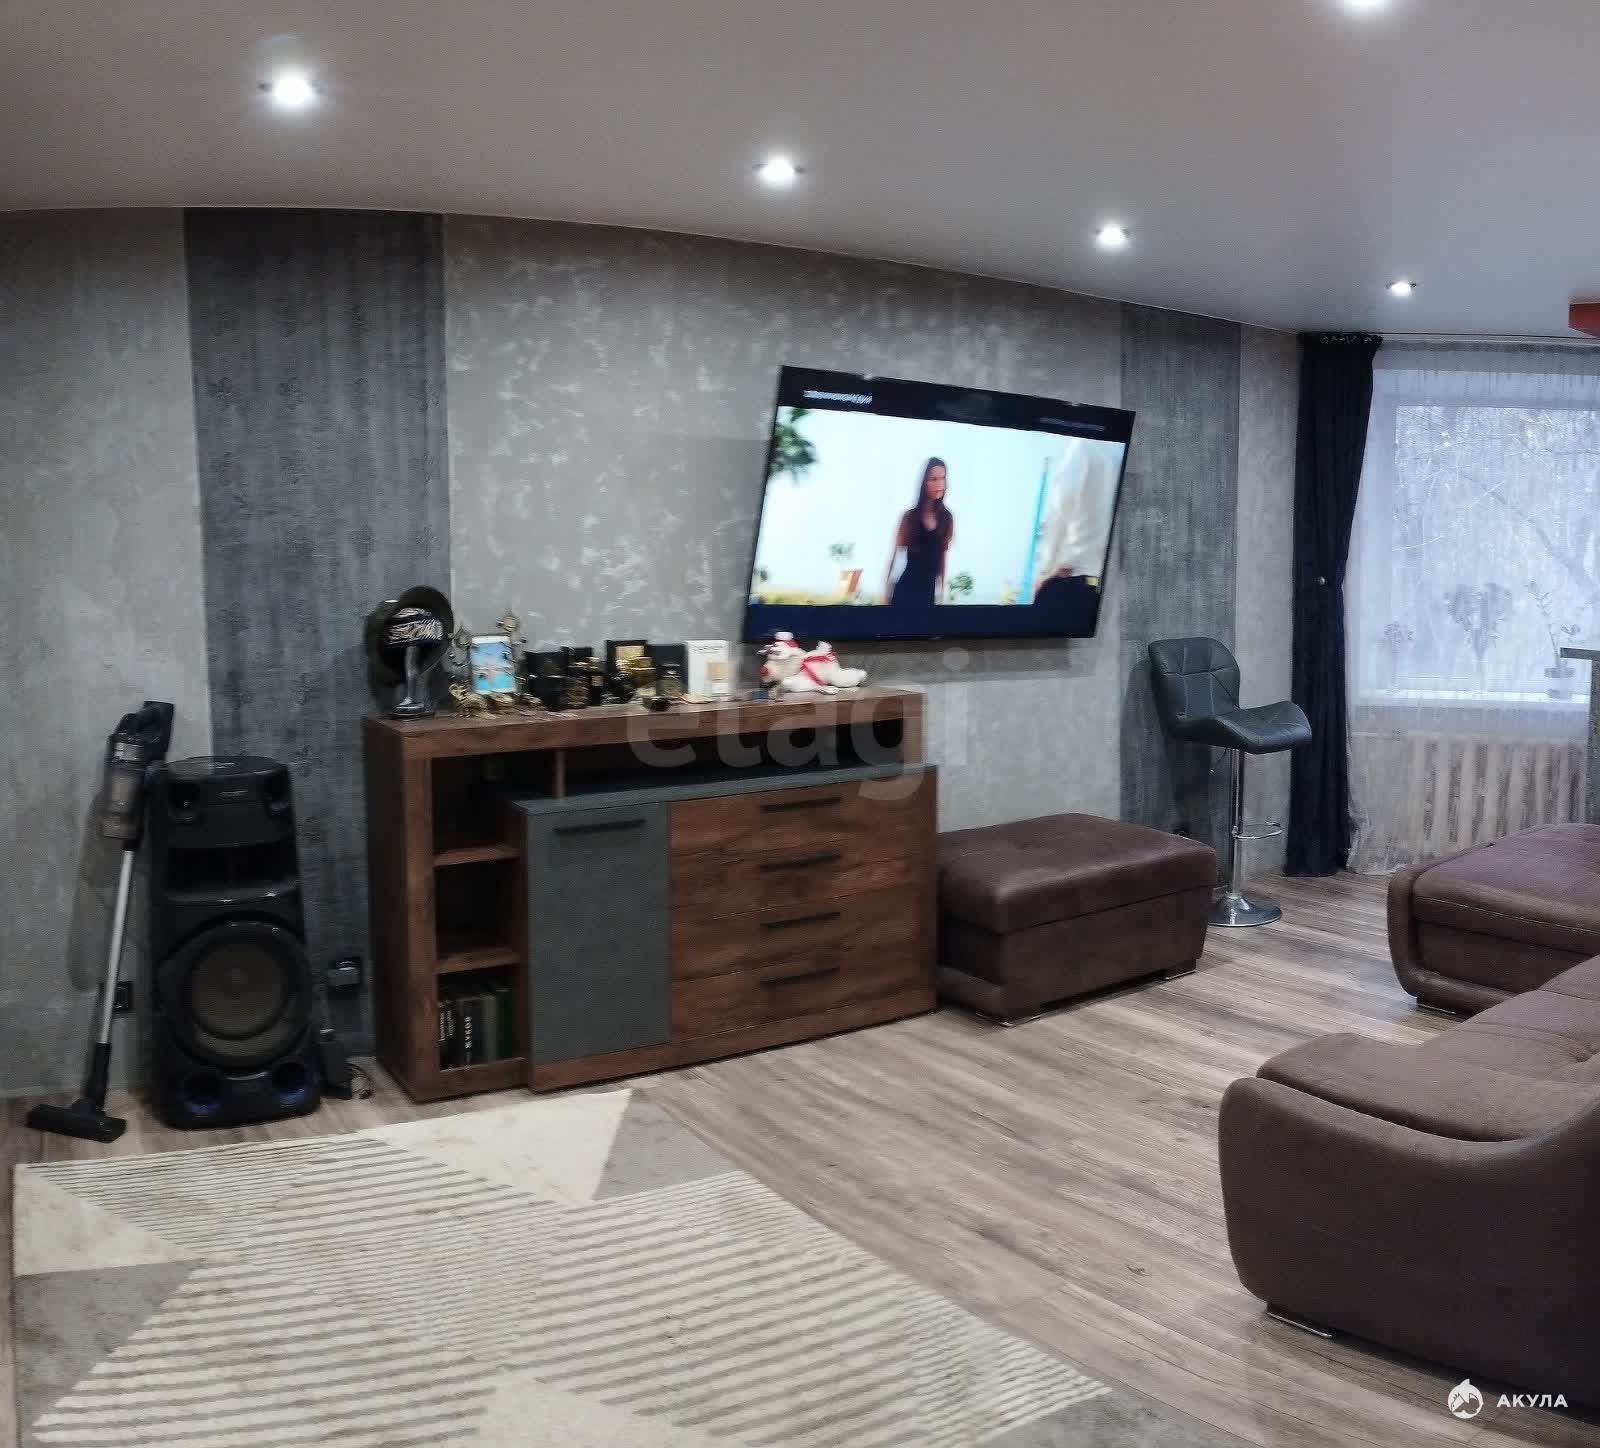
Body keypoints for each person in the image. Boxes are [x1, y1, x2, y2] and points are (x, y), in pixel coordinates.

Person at [1031, 448, 1115, 608]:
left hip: (1081, 579)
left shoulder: (1082, 449)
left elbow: (1063, 501)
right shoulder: (1119, 452)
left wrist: (1045, 572)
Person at [883, 458, 954, 608]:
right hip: (904, 593)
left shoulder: (947, 518)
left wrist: (941, 595)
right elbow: (894, 557)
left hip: (928, 595)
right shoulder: (909, 517)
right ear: (924, 482)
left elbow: (942, 560)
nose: (939, 484)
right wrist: (886, 591)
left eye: (942, 478)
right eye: (934, 479)